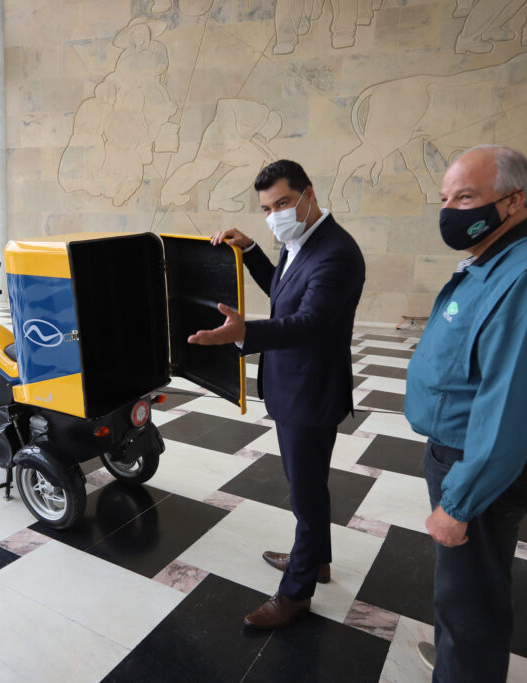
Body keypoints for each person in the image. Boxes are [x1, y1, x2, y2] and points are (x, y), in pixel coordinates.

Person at [404, 144, 527, 682]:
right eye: (445, 198)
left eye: (466, 196)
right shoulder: (496, 260)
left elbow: (507, 410)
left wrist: (458, 505)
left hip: (477, 468)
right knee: (465, 589)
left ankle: (466, 668)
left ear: (514, 201)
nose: (451, 211)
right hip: (462, 456)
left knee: (470, 605)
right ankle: (462, 661)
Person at [187, 159, 365, 629]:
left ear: (309, 194)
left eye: (282, 203)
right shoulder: (298, 241)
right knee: (306, 486)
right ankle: (317, 560)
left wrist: (244, 334)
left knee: (304, 494)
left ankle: (296, 595)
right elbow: (283, 294)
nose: (274, 214)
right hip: (292, 385)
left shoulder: (336, 254)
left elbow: (310, 322)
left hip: (311, 391)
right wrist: (249, 253)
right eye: (266, 208)